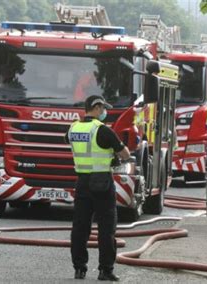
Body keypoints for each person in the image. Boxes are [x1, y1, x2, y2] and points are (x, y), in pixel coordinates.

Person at [65, 95, 130, 281]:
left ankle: (79, 268)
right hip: (102, 184)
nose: (104, 112)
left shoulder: (73, 128)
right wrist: (116, 155)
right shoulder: (102, 130)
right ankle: (105, 270)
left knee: (80, 227)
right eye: (102, 109)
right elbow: (124, 154)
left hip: (82, 183)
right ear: (96, 107)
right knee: (106, 228)